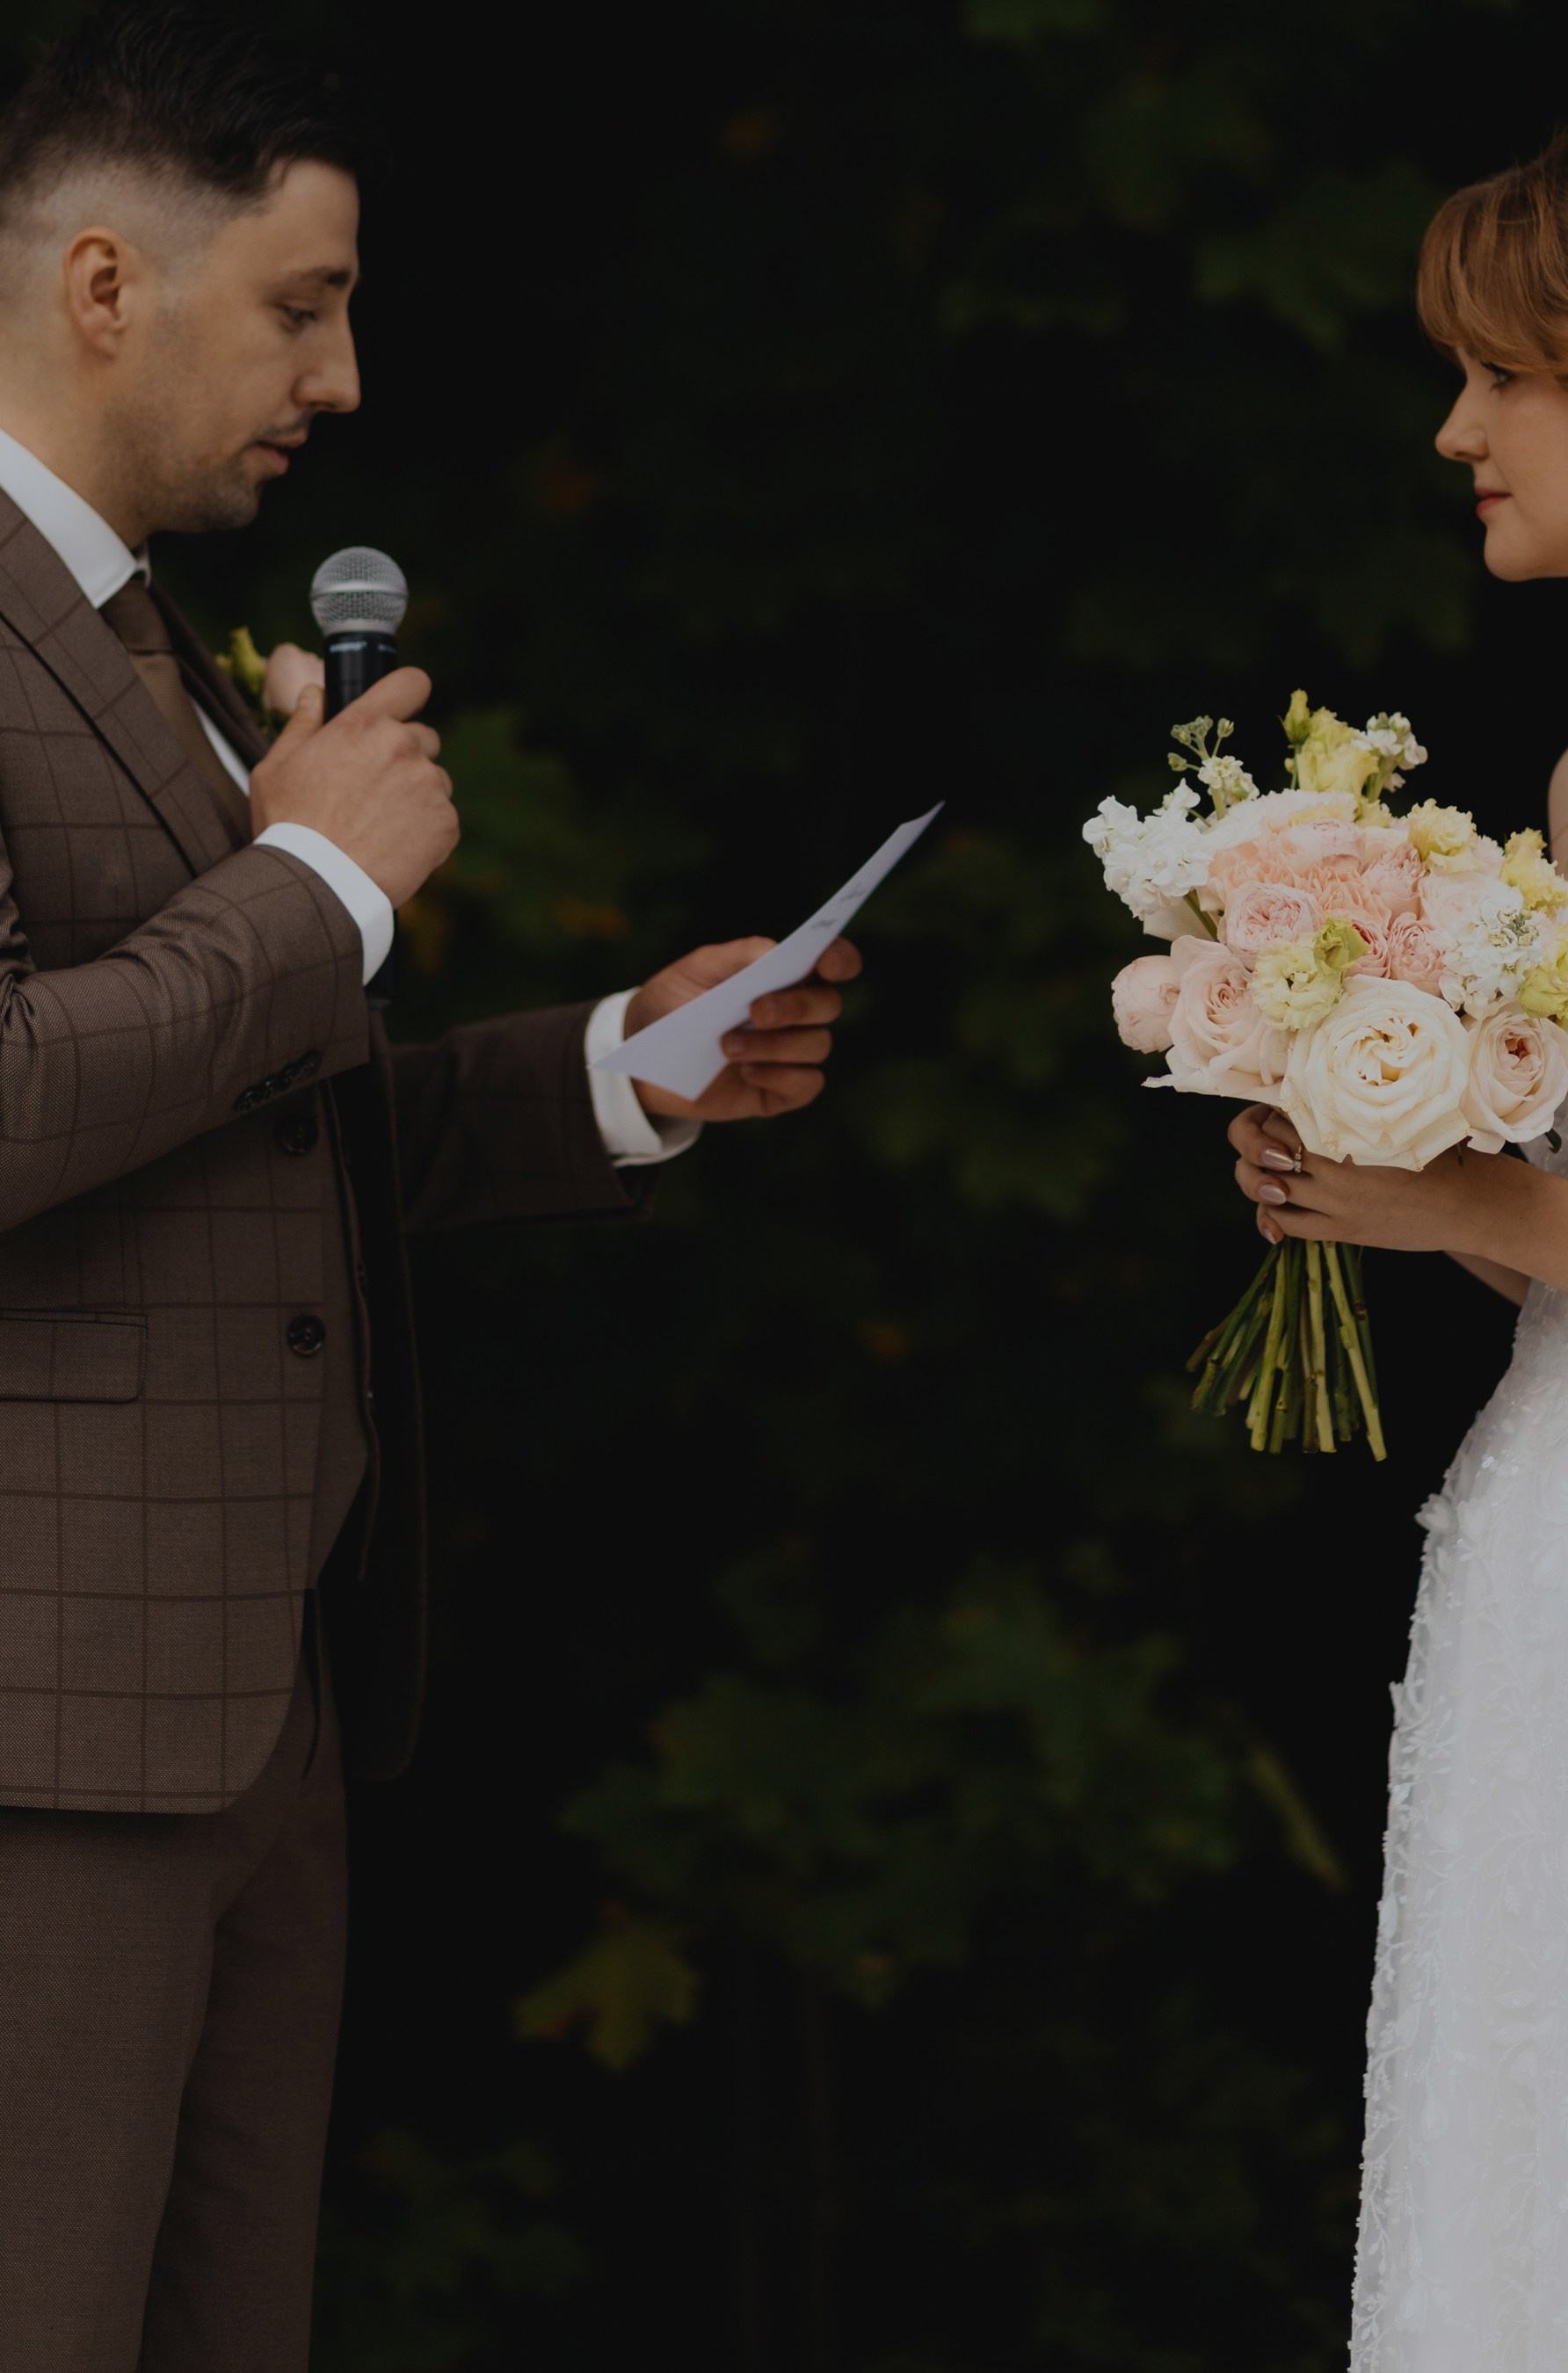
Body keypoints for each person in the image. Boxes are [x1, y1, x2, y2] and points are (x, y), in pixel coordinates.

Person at [0, 6, 860, 2368]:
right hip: (39, 1726)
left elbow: (231, 1131)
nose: (349, 377)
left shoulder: (133, 633)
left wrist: (611, 1074)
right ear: (100, 286)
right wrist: (308, 899)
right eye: (302, 304)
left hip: (253, 1696)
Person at [1227, 47, 1568, 2372]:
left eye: (1493, 379)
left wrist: (1497, 1211)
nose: (1454, 434)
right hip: (1550, 1550)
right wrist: (1386, 1186)